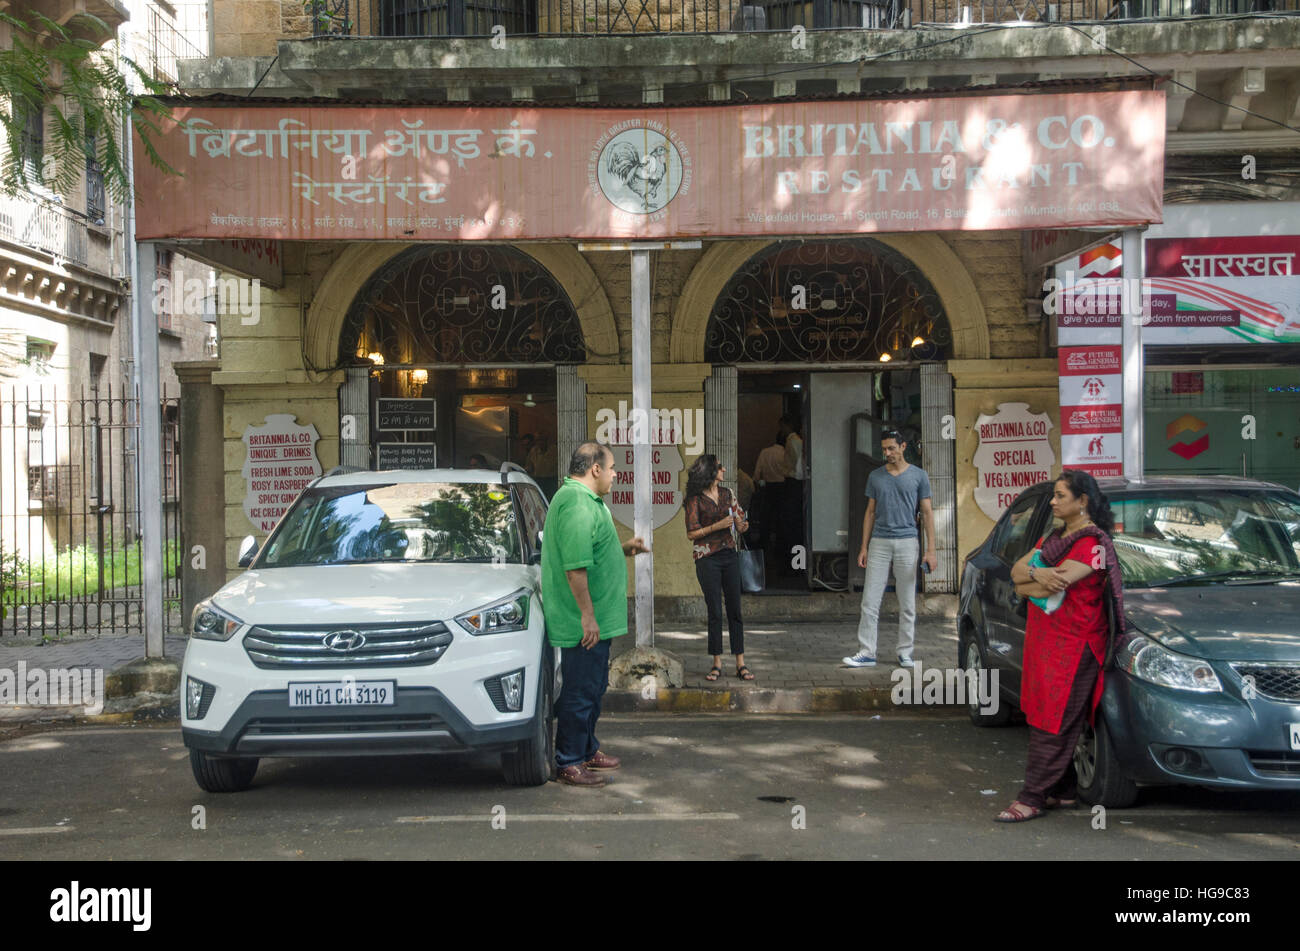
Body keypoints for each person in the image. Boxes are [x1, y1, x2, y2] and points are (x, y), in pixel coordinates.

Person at [995, 470, 1124, 822]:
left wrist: (1032, 579)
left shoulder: (1092, 544)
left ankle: (1032, 796)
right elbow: (1018, 574)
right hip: (1047, 642)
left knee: (1056, 718)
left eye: (1060, 495)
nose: (1052, 501)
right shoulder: (1055, 537)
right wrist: (1036, 576)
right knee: (1042, 714)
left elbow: (1057, 584)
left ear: (1082, 502)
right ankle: (1063, 792)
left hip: (1076, 644)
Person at [541, 441, 649, 788]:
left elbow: (590, 552)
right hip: (584, 624)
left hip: (597, 620)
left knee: (593, 687)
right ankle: (569, 761)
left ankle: (586, 749)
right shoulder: (576, 503)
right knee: (580, 691)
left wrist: (622, 550)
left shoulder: (587, 501)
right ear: (595, 469)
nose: (616, 475)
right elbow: (575, 568)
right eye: (613, 468)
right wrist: (587, 616)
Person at [844, 429, 936, 669]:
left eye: (891, 448)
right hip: (879, 542)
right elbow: (870, 512)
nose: (887, 453)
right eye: (884, 449)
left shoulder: (919, 476)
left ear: (903, 446)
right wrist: (863, 546)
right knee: (870, 600)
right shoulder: (875, 476)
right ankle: (867, 651)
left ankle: (905, 652)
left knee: (907, 601)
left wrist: (931, 550)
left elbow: (927, 513)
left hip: (907, 541)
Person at [683, 454, 753, 682]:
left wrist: (741, 525)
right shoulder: (695, 500)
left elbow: (741, 519)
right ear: (711, 472)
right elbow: (691, 533)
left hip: (729, 554)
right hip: (707, 558)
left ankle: (740, 663)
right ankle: (716, 663)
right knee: (714, 610)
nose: (724, 470)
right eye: (720, 467)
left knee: (735, 610)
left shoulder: (727, 494)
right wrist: (718, 525)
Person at [751, 432, 789, 562]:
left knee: (765, 519)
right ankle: (780, 552)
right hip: (783, 488)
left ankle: (762, 551)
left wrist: (759, 483)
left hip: (768, 488)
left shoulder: (765, 452)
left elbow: (757, 474)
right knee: (782, 521)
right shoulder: (786, 454)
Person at [778, 414, 805, 574]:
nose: (780, 430)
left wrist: (793, 474)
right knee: (791, 521)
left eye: (782, 426)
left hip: (794, 481)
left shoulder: (794, 441)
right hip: (792, 481)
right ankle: (795, 563)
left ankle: (796, 564)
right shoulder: (792, 441)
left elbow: (798, 464)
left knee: (792, 521)